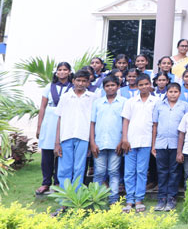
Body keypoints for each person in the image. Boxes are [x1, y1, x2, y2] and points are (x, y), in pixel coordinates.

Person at [54, 69, 94, 194]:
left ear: (88, 82)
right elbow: (59, 119)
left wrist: (91, 141)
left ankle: (76, 198)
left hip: (83, 137)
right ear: (73, 81)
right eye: (78, 80)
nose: (81, 83)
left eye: (84, 81)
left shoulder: (92, 98)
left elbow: (93, 121)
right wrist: (57, 142)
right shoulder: (65, 97)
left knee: (79, 168)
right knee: (64, 169)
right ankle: (64, 199)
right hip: (66, 136)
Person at [120, 73, 157, 213]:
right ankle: (129, 200)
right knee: (129, 171)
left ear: (150, 85)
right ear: (137, 86)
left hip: (146, 141)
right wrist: (124, 138)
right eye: (141, 85)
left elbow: (155, 125)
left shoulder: (155, 101)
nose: (144, 87)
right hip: (131, 140)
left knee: (141, 171)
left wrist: (153, 144)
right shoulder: (130, 102)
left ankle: (139, 199)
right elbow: (126, 121)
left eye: (146, 84)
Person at [35, 62, 72, 195]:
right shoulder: (49, 86)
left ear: (69, 72)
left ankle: (58, 182)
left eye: (65, 70)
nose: (62, 72)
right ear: (56, 72)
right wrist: (39, 126)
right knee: (47, 154)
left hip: (64, 121)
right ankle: (46, 182)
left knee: (61, 152)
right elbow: (43, 107)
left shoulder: (72, 87)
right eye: (60, 70)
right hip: (49, 121)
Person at [151, 81, 188, 211]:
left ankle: (171, 199)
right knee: (162, 172)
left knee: (174, 172)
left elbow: (187, 126)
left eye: (175, 92)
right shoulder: (159, 105)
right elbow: (155, 125)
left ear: (180, 93)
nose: (173, 94)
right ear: (166, 93)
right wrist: (153, 145)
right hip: (161, 143)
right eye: (170, 92)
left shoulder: (184, 106)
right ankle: (161, 199)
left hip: (176, 144)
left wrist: (182, 148)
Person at [90, 75, 126, 206]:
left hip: (116, 143)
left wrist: (122, 140)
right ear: (103, 88)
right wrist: (92, 142)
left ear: (117, 86)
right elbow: (92, 123)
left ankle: (113, 200)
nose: (110, 88)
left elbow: (125, 122)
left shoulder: (123, 102)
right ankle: (97, 198)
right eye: (107, 86)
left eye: (113, 85)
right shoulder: (97, 103)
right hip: (99, 143)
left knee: (114, 172)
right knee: (99, 172)